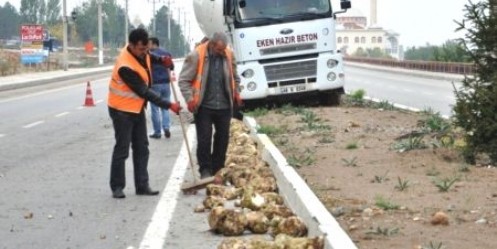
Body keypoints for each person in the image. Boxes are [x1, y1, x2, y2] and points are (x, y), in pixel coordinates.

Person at [107, 28, 181, 199]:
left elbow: (150, 57)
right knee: (122, 149)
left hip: (136, 108)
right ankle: (117, 186)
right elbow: (144, 91)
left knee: (142, 148)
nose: (144, 52)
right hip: (121, 110)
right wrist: (169, 105)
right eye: (141, 49)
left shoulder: (143, 52)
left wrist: (162, 60)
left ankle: (142, 185)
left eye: (146, 49)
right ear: (131, 46)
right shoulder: (125, 65)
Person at [178, 32, 242, 179]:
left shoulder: (228, 54)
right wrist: (189, 99)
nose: (222, 52)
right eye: (219, 50)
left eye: (224, 49)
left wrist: (236, 92)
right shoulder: (196, 55)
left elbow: (235, 77)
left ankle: (218, 168)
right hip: (204, 106)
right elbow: (183, 80)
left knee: (223, 138)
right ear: (212, 45)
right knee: (204, 139)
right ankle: (205, 170)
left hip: (224, 105)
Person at [148, 37, 174, 139]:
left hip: (155, 84)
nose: (148, 46)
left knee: (155, 109)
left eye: (149, 43)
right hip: (166, 83)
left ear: (154, 44)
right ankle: (166, 127)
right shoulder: (166, 53)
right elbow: (171, 67)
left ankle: (157, 132)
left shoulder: (149, 54)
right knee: (165, 106)